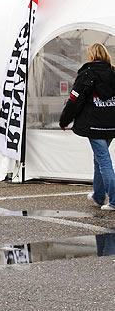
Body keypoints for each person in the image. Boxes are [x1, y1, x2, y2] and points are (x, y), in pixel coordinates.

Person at [59, 43, 115, 211]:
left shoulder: (86, 75)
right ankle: (98, 196)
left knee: (104, 161)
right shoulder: (113, 74)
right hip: (111, 124)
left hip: (94, 125)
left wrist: (64, 121)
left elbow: (74, 101)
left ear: (91, 56)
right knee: (99, 159)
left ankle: (113, 201)